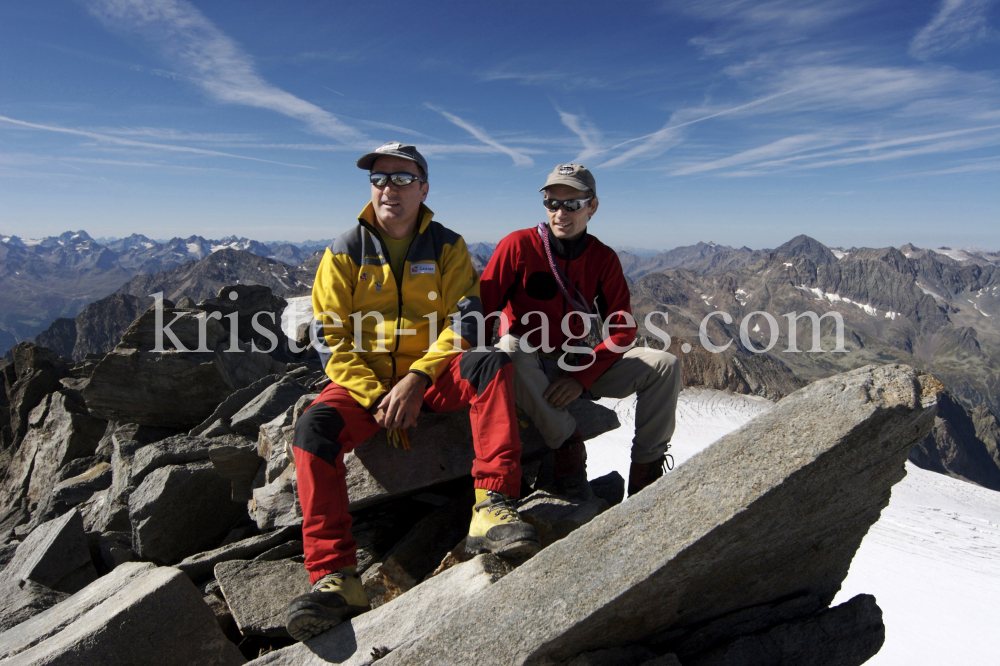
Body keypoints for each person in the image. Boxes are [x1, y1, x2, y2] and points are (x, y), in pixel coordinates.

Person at [285, 142, 539, 642]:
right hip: (366, 386)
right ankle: (335, 578)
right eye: (379, 179)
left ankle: (491, 507)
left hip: (432, 376)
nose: (388, 189)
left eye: (401, 179)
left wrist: (417, 378)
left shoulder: (447, 246)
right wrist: (377, 392)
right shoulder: (344, 250)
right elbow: (327, 334)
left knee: (490, 364)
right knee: (314, 428)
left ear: (424, 188)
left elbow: (466, 319)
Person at [480, 164, 681, 500]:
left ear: (593, 206)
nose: (560, 213)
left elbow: (622, 330)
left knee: (665, 366)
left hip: (578, 363)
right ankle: (567, 443)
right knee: (509, 345)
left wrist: (582, 377)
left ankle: (646, 478)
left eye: (572, 204)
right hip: (527, 365)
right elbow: (483, 311)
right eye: (551, 202)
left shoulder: (603, 258)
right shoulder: (517, 246)